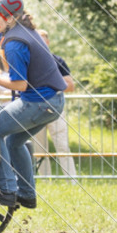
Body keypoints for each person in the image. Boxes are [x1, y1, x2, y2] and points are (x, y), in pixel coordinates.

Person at [0, 0, 67, 209]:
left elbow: (20, 85)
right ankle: (27, 194)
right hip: (54, 102)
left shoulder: (14, 44)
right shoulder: (22, 30)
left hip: (39, 102)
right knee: (14, 141)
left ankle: (6, 189)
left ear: (10, 17)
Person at [30, 28, 78, 182]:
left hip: (55, 107)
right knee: (39, 147)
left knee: (62, 145)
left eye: (43, 40)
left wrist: (51, 83)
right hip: (35, 108)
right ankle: (45, 180)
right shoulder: (29, 62)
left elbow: (70, 86)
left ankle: (72, 180)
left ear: (48, 42)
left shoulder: (58, 61)